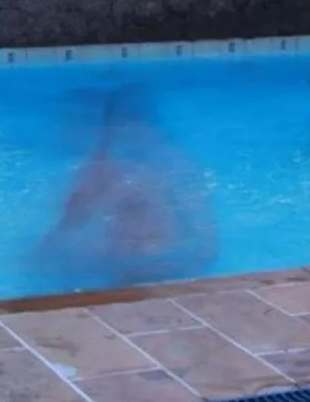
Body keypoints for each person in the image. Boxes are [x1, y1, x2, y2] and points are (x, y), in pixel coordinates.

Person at [40, 89, 215, 286]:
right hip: (160, 265)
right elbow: (206, 243)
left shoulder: (100, 171)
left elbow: (57, 238)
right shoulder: (174, 163)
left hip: (145, 265)